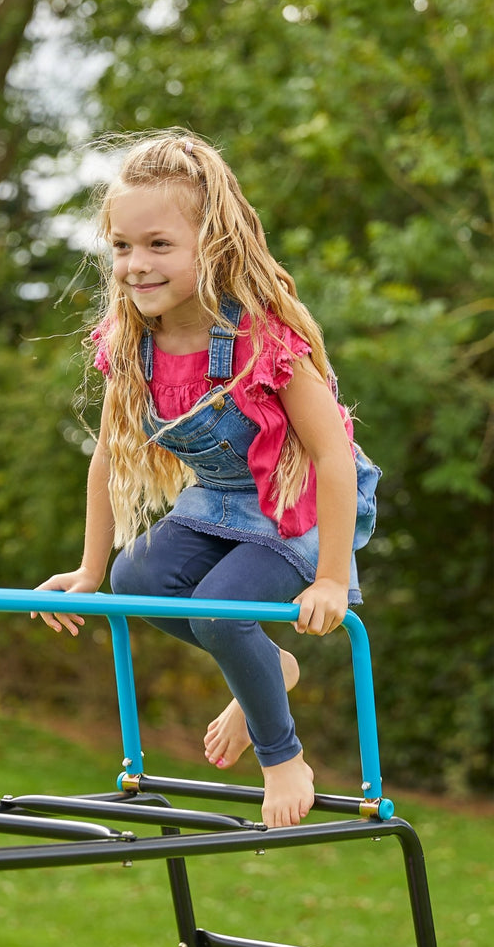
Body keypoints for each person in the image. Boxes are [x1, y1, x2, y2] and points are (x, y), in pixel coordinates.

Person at [34, 129, 380, 829]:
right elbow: (106, 457)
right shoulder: (133, 344)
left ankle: (282, 755)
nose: (136, 264)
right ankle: (267, 665)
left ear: (212, 245)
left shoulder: (261, 340)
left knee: (220, 611)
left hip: (300, 505)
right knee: (138, 585)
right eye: (123, 247)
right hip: (220, 499)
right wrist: (89, 569)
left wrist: (332, 580)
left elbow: (333, 458)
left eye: (159, 245)